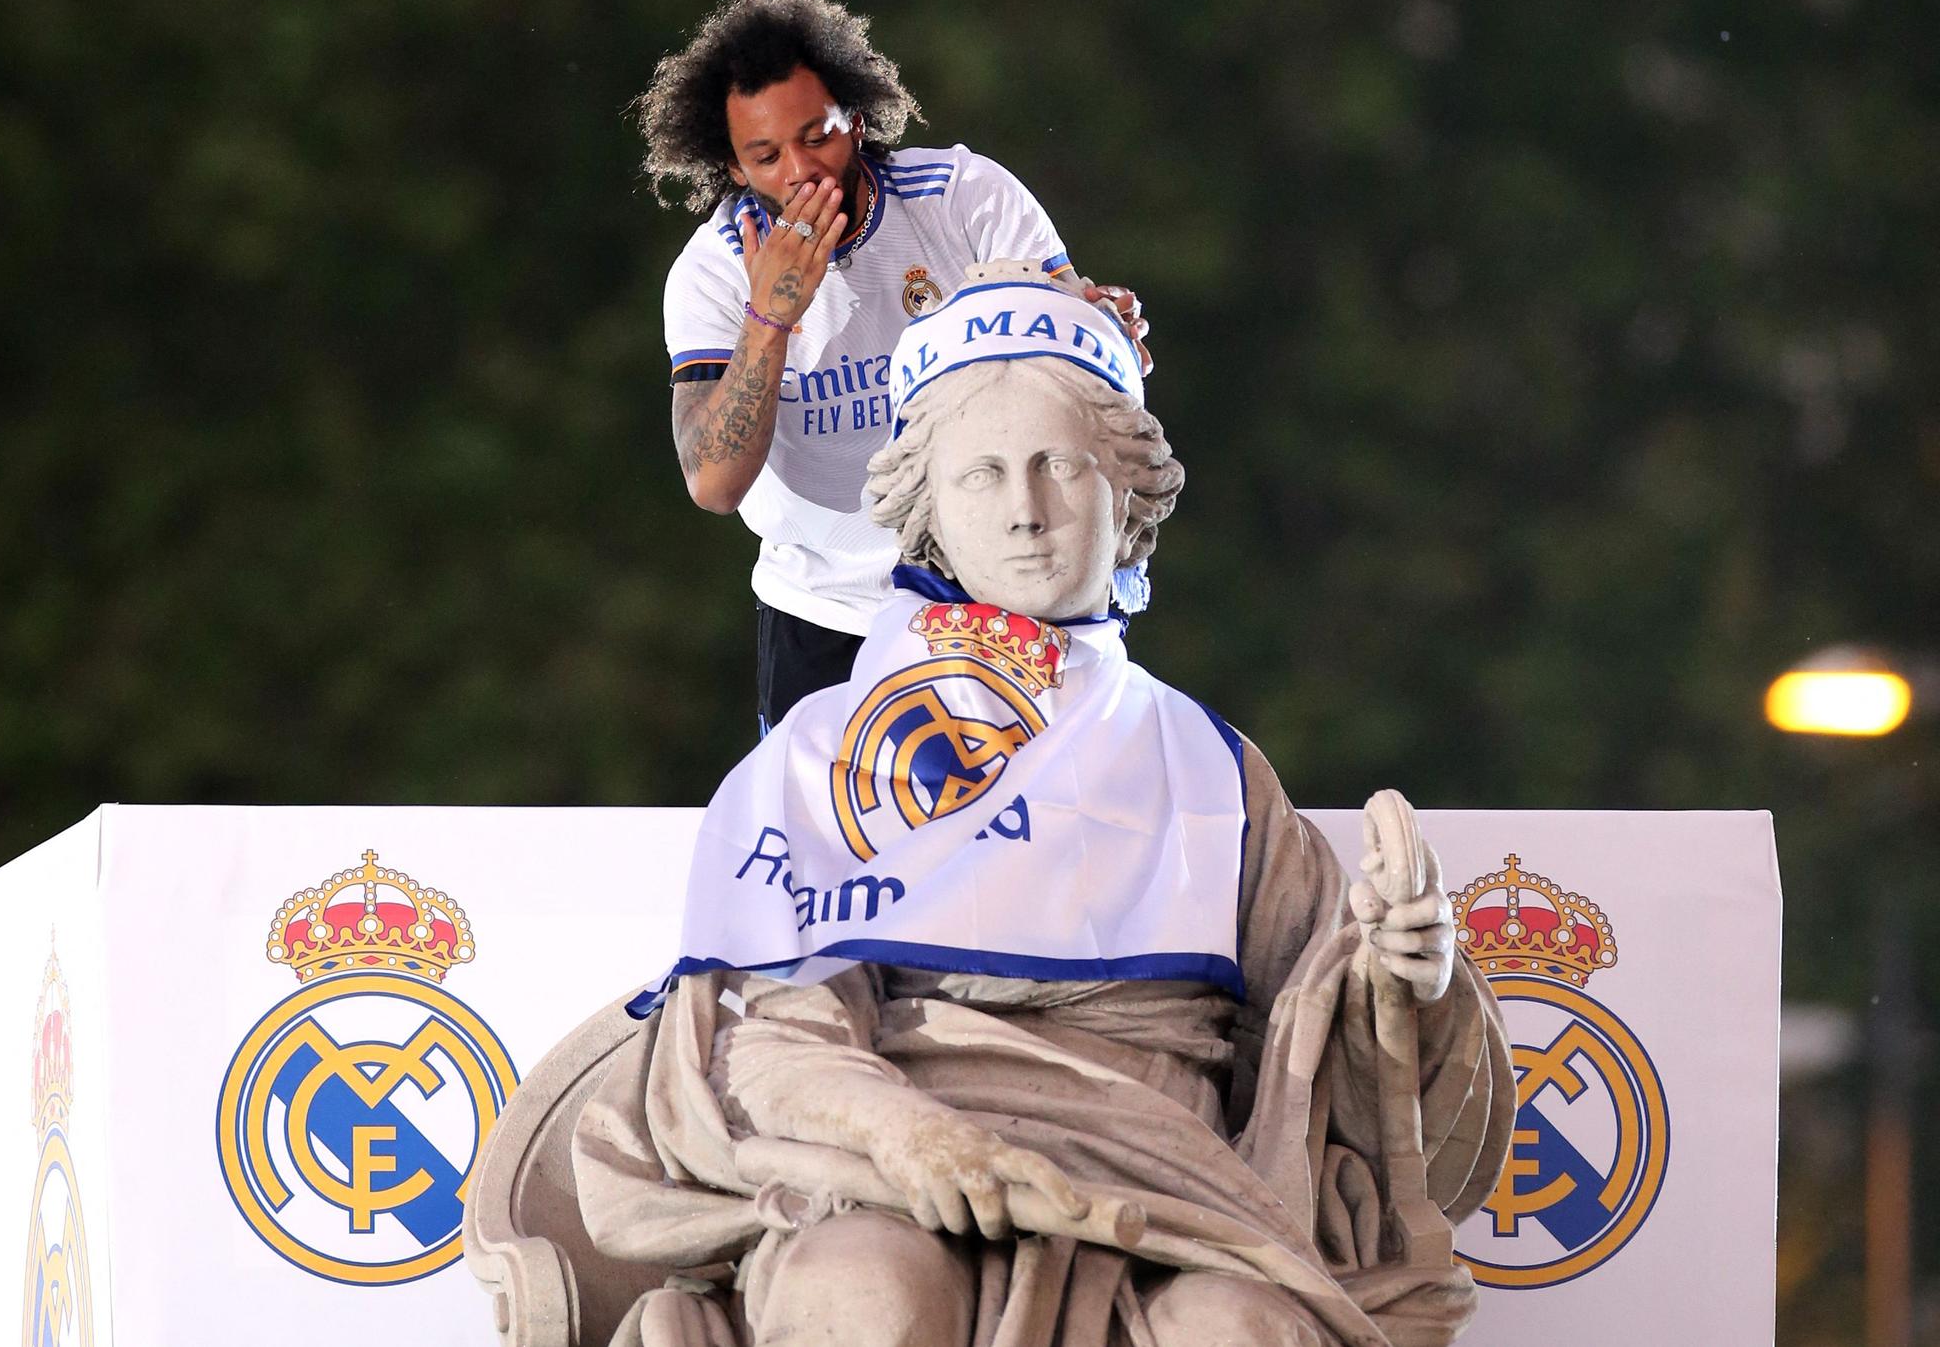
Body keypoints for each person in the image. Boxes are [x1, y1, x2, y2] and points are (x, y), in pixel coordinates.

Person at [564, 271, 1515, 1346]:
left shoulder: (1209, 767)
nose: (1024, 510)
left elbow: (1324, 1059)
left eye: (1061, 466)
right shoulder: (825, 750)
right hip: (892, 1175)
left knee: (1240, 1328)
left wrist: (1407, 978)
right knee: (865, 1290)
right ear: (925, 510)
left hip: (1172, 1200)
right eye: (980, 474)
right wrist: (910, 1136)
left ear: (1128, 495)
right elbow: (765, 1033)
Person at [636, 0, 1151, 730]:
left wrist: (1105, 333)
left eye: (818, 135)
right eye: (767, 155)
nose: (801, 171)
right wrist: (770, 319)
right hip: (827, 615)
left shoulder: (964, 196)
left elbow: (1079, 362)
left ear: (859, 117)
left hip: (998, 592)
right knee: (842, 845)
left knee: (1040, 835)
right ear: (733, 167)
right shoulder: (712, 272)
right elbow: (713, 483)